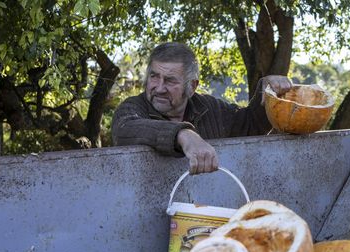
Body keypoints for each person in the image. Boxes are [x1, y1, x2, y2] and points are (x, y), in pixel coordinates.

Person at [112, 42, 292, 174]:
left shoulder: (210, 108)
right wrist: (183, 135)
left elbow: (251, 124)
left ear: (193, 86)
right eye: (154, 77)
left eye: (170, 80)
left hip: (205, 212)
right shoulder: (133, 107)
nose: (159, 88)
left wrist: (267, 92)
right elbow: (124, 129)